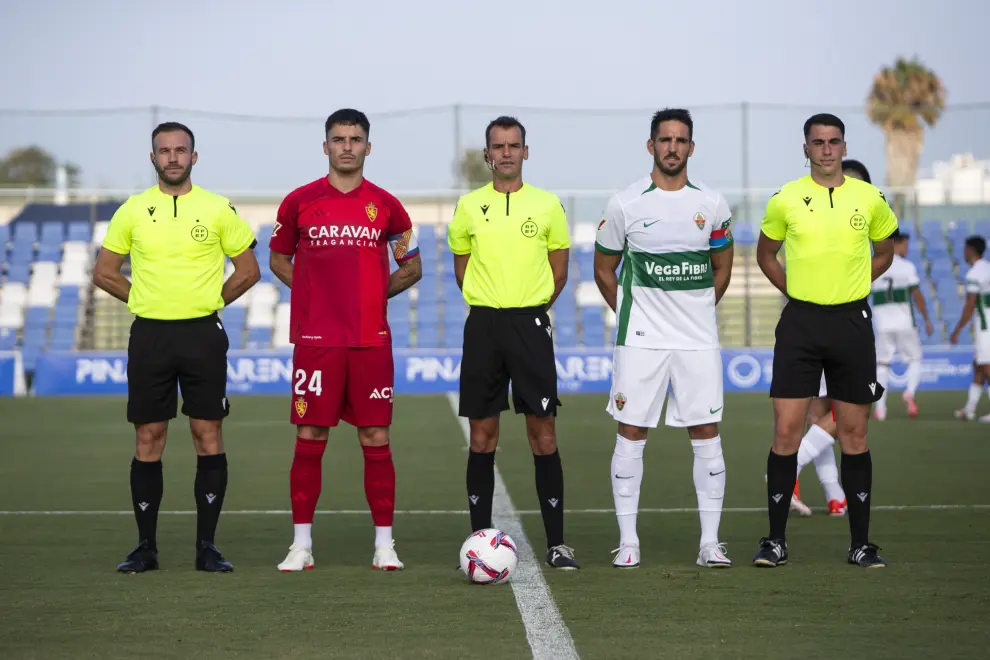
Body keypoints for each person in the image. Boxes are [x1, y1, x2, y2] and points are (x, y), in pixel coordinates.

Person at [93, 121, 261, 573]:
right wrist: (148, 302)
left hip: (203, 335)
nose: (172, 157)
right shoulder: (132, 209)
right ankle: (145, 548)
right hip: (151, 336)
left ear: (194, 157)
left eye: (180, 150)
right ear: (153, 158)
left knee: (208, 435)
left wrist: (208, 303)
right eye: (164, 150)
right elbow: (105, 271)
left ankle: (207, 547)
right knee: (149, 437)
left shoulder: (217, 208)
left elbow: (248, 269)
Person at [269, 109, 422, 572]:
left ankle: (384, 545)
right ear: (326, 147)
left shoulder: (389, 206)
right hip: (317, 341)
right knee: (309, 434)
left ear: (368, 148)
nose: (348, 146)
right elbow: (277, 260)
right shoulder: (298, 202)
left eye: (356, 139)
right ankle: (301, 546)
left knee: (375, 436)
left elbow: (411, 267)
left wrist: (374, 296)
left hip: (370, 342)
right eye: (339, 139)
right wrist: (317, 297)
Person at [753, 113, 898, 569]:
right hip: (800, 324)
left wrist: (855, 284)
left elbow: (886, 250)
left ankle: (860, 544)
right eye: (818, 142)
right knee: (785, 431)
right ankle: (775, 541)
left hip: (852, 323)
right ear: (806, 149)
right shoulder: (786, 199)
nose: (827, 149)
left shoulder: (870, 197)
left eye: (834, 141)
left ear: (844, 145)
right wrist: (796, 292)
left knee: (854, 433)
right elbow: (765, 253)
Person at [594, 108, 734, 569]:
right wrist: (634, 317)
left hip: (697, 341)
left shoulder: (712, 204)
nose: (672, 147)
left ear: (691, 147)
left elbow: (722, 266)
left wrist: (695, 313)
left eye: (681, 140)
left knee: (706, 433)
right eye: (664, 139)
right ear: (650, 146)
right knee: (631, 432)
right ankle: (628, 542)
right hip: (641, 341)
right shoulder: (625, 203)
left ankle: (710, 543)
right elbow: (603, 267)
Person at [447, 115, 578, 570]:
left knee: (543, 434)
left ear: (526, 152)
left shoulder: (547, 206)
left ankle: (558, 543)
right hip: (483, 327)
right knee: (482, 437)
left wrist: (528, 308)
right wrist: (490, 305)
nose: (505, 153)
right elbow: (461, 268)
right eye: (497, 146)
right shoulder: (467, 207)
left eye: (513, 145)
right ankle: (478, 542)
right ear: (487, 155)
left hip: (530, 326)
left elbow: (559, 273)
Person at [870, 228, 933, 420]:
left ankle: (880, 408)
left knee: (882, 364)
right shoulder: (907, 267)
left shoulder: (874, 266)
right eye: (905, 244)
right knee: (914, 359)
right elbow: (917, 295)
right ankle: (909, 392)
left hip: (882, 324)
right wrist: (927, 319)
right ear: (896, 244)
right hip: (905, 322)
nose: (907, 248)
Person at [950, 235, 990, 422]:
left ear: (970, 250)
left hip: (985, 326)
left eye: (965, 249)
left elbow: (970, 304)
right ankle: (969, 409)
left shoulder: (974, 274)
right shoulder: (987, 268)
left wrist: (958, 329)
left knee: (986, 366)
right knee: (979, 367)